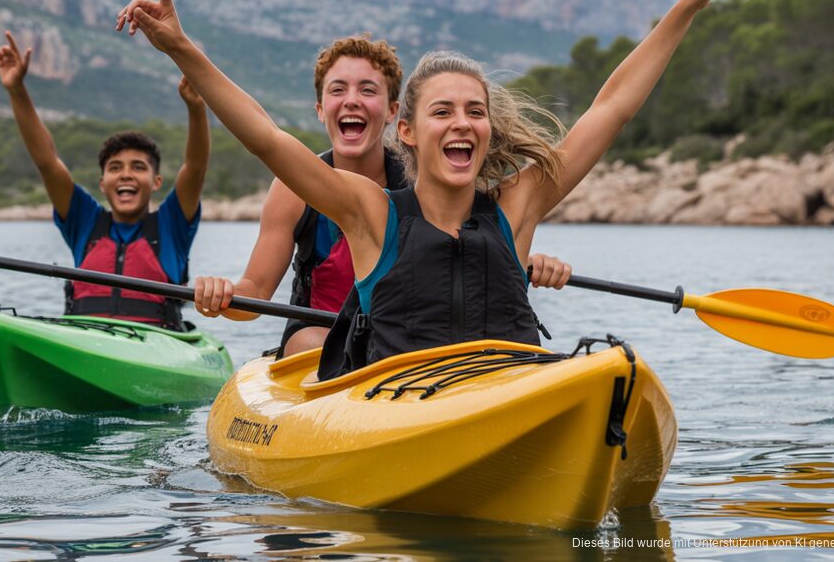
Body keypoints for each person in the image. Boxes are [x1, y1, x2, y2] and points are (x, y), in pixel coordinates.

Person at [117, 0, 733, 373]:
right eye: (442, 111)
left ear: (488, 129)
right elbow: (267, 139)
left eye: (475, 111)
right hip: (400, 413)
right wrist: (182, 48)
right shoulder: (370, 211)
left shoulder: (517, 207)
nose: (461, 123)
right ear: (406, 130)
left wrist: (686, 7)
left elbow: (612, 108)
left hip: (508, 395)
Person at [192, 36, 573, 357]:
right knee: (314, 343)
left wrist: (515, 259)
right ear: (321, 109)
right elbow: (254, 291)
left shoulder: (427, 179)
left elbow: (469, 244)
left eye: (367, 90)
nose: (352, 101)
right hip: (322, 339)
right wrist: (225, 296)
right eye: (338, 90)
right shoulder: (300, 189)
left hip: (409, 338)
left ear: (394, 115)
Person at [0, 31, 211, 329]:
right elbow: (46, 162)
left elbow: (196, 166)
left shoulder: (172, 224)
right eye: (115, 168)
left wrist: (196, 107)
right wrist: (16, 90)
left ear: (156, 181)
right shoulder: (84, 221)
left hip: (158, 346)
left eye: (138, 167)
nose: (125, 174)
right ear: (102, 183)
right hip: (86, 342)